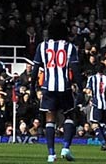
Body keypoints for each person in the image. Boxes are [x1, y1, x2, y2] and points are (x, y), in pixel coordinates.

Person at [37, 21, 80, 163]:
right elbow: (75, 69)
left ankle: (51, 154)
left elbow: (35, 69)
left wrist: (33, 88)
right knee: (70, 116)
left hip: (48, 88)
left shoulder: (42, 46)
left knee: (50, 119)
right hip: (65, 88)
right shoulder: (69, 47)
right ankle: (66, 147)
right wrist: (79, 86)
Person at [84, 69, 106, 151]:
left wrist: (87, 93)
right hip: (105, 105)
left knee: (94, 124)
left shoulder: (92, 78)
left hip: (96, 104)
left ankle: (104, 142)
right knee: (103, 123)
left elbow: (88, 90)